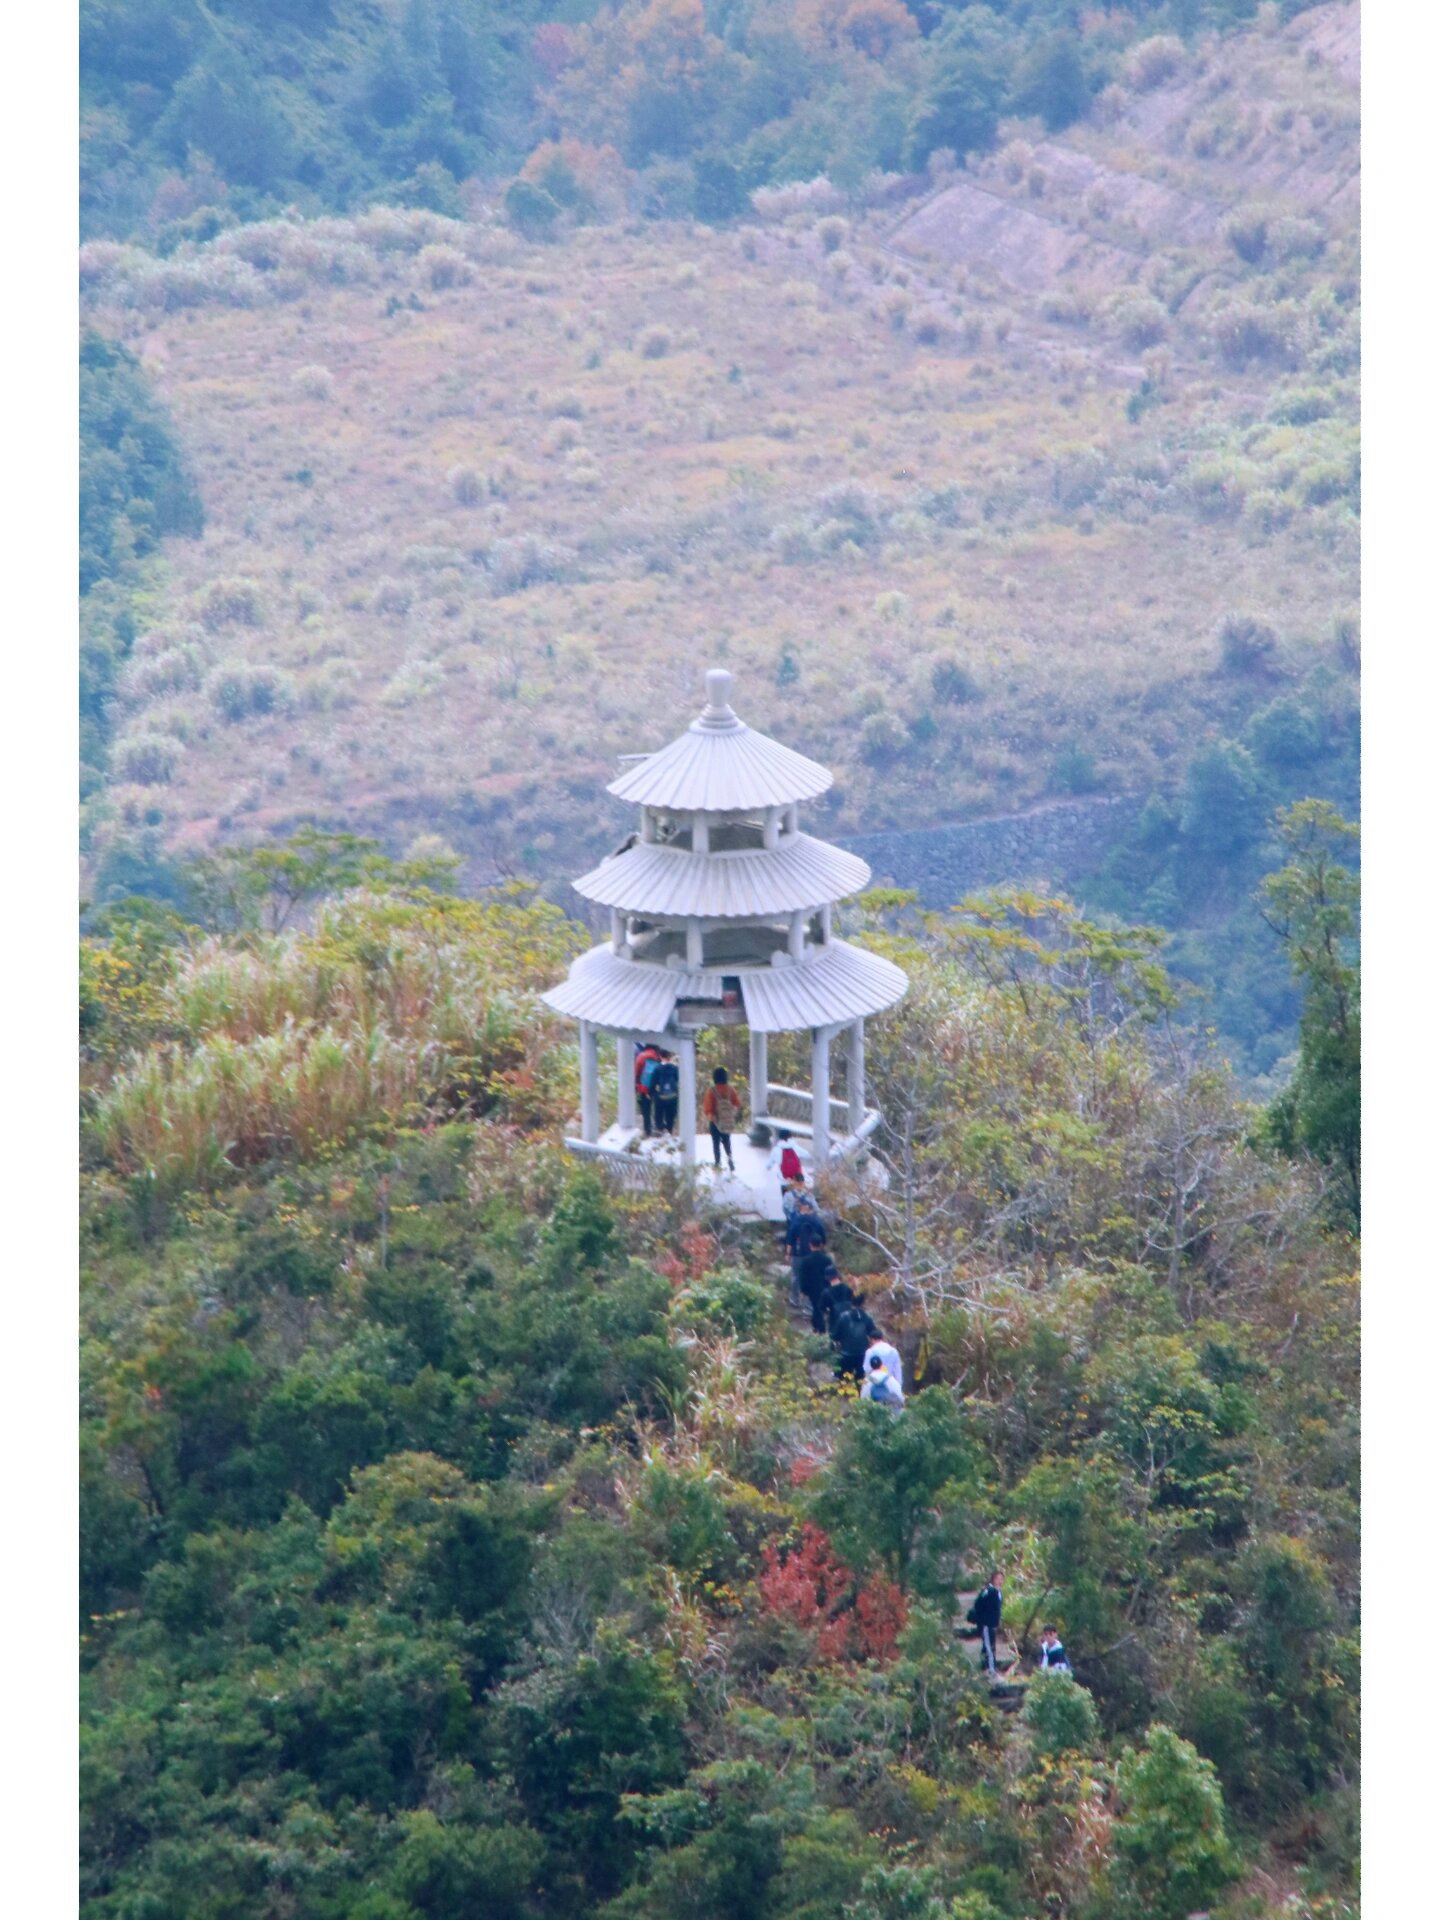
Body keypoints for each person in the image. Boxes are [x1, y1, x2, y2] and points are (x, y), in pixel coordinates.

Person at [786, 1193, 828, 1307]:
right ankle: (809, 1305)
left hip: (798, 1254)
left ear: (802, 1208)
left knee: (796, 1277)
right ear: (810, 1208)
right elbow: (823, 1239)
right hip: (812, 1254)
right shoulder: (817, 1221)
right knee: (812, 1279)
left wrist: (788, 1254)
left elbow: (790, 1239)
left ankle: (795, 1299)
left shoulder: (796, 1221)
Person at [830, 1294, 878, 1383]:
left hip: (846, 1353)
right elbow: (874, 1333)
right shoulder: (867, 1317)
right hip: (862, 1353)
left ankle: (844, 1394)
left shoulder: (844, 1317)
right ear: (863, 1303)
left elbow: (835, 1335)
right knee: (860, 1379)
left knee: (843, 1378)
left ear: (851, 1303)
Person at [702, 1066, 743, 1171]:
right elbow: (737, 1103)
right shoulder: (730, 1089)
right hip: (727, 1121)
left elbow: (708, 1109)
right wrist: (731, 1114)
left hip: (715, 1121)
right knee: (727, 1141)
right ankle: (729, 1158)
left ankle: (717, 1163)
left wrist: (711, 1117)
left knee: (716, 1143)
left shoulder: (711, 1091)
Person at [968, 1572, 1003, 1677]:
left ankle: (985, 1667)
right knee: (989, 1647)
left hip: (992, 1625)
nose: (1000, 1581)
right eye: (998, 1579)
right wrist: (983, 1620)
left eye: (1002, 1579)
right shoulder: (988, 1591)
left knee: (988, 1646)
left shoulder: (998, 1592)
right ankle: (991, 1669)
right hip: (986, 1625)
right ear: (993, 1579)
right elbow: (978, 1604)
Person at [797, 1248, 838, 1333]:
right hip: (824, 1287)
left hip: (812, 1288)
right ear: (820, 1245)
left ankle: (819, 1327)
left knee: (816, 1307)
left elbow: (803, 1276)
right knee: (820, 1308)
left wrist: (803, 1290)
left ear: (810, 1245)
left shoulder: (806, 1260)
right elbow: (831, 1273)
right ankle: (818, 1326)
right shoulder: (827, 1259)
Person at [634, 1042, 663, 1137]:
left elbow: (637, 1073)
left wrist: (636, 1085)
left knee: (646, 1109)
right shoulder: (658, 1057)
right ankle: (659, 1128)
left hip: (644, 1088)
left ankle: (648, 1130)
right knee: (658, 1108)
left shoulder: (641, 1056)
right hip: (656, 1088)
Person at [649, 1051, 679, 1134]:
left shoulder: (657, 1069)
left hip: (660, 1097)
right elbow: (678, 1080)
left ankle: (661, 1131)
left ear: (660, 1056)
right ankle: (669, 1131)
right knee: (670, 1117)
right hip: (673, 1096)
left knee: (659, 1115)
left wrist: (651, 1094)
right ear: (669, 1056)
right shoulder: (675, 1068)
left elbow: (653, 1083)